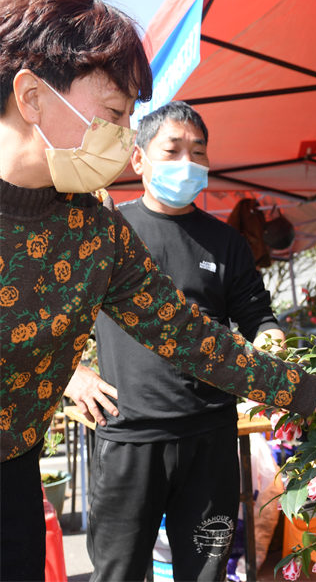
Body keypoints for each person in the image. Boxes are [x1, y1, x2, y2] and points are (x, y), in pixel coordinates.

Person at [0, 0, 316, 581]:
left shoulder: (94, 232)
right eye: (116, 114)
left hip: (12, 469)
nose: (125, 140)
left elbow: (190, 335)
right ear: (31, 97)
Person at [65, 100, 286, 582]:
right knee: (117, 573)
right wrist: (74, 374)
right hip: (129, 434)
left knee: (205, 573)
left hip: (211, 434)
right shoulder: (110, 230)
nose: (188, 162)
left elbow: (256, 315)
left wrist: (271, 340)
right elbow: (57, 314)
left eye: (198, 151)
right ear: (139, 159)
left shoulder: (225, 242)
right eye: (173, 149)